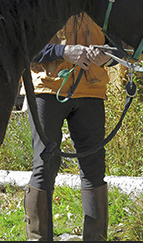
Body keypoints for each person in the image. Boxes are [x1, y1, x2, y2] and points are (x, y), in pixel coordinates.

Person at [23, 12, 114, 241]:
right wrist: (63, 52)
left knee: (94, 170)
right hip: (47, 90)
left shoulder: (99, 0)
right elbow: (25, 46)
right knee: (44, 166)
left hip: (92, 91)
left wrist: (107, 55)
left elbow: (117, 45)